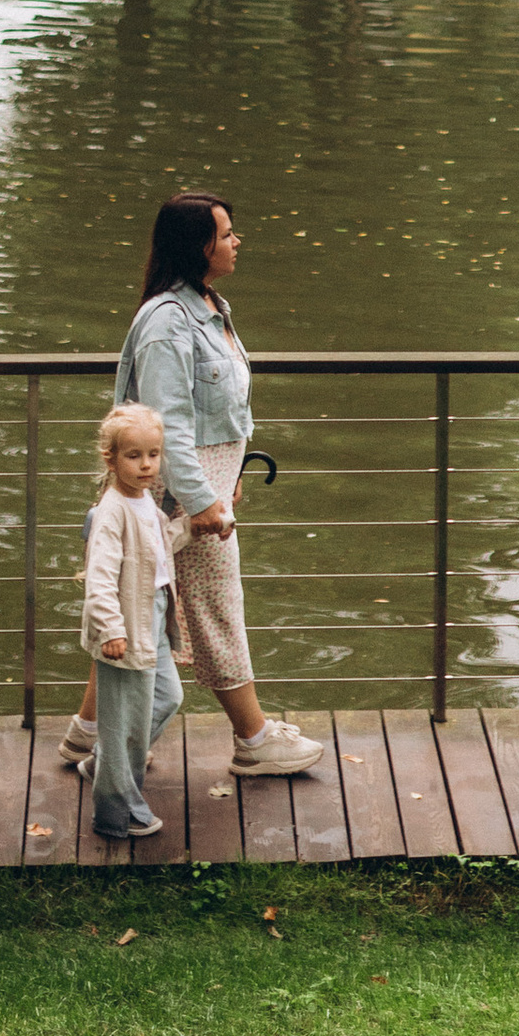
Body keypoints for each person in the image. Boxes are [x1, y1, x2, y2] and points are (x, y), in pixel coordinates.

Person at [53, 187, 322, 780]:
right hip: (177, 502)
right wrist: (202, 498)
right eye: (226, 234)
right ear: (197, 245)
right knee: (215, 613)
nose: (235, 241)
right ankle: (253, 740)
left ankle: (86, 736)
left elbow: (215, 414)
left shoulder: (207, 307)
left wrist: (230, 475)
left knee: (142, 610)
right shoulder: (168, 323)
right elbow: (167, 423)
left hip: (206, 492)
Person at [81, 401, 181, 840]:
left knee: (167, 697)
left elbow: (159, 546)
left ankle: (104, 765)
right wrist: (111, 630)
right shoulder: (112, 511)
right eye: (134, 456)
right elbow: (99, 578)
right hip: (125, 626)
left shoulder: (146, 504)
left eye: (153, 455)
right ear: (112, 458)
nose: (146, 465)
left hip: (152, 617)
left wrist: (205, 523)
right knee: (128, 724)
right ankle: (119, 813)